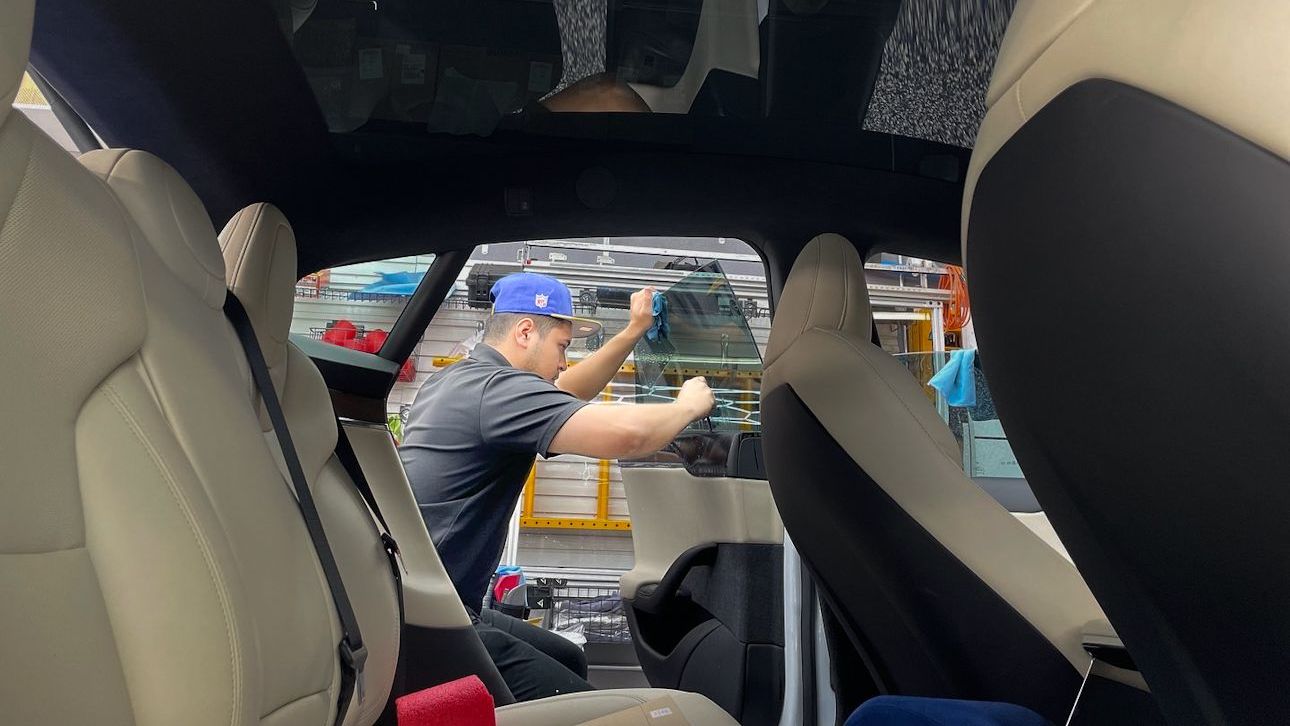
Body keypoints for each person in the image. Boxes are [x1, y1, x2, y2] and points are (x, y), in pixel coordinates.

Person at [399, 271, 715, 701]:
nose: (564, 362)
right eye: (562, 347)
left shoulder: (461, 381)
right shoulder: (497, 391)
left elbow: (568, 389)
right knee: (584, 707)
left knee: (566, 658)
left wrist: (633, 331)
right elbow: (628, 436)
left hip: (428, 602)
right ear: (526, 331)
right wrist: (686, 406)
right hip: (432, 619)